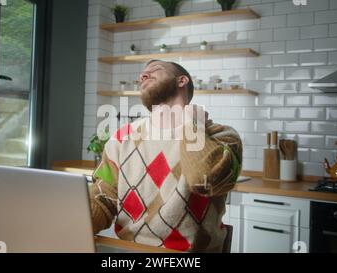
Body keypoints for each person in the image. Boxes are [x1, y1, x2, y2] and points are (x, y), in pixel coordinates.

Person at [89, 60, 242, 252]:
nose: (143, 76)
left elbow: (205, 179)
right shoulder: (121, 137)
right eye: (142, 74)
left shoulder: (221, 136)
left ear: (182, 80)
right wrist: (70, 224)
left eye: (155, 70)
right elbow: (104, 197)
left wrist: (193, 125)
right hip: (128, 252)